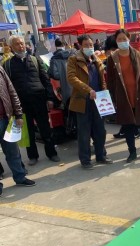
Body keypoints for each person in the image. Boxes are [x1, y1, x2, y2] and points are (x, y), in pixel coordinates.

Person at [4, 35, 60, 165]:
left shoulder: (35, 60)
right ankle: (32, 156)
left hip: (39, 101)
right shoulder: (8, 65)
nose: (21, 46)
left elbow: (46, 80)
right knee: (28, 132)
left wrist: (50, 98)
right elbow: (8, 88)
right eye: (17, 44)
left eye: (22, 43)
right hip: (22, 104)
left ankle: (52, 153)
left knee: (45, 129)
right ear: (12, 47)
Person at [107, 29, 140, 163]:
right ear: (116, 41)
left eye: (124, 39)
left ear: (129, 39)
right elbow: (110, 80)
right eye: (119, 39)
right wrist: (113, 98)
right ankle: (132, 152)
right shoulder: (112, 59)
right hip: (123, 97)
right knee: (128, 126)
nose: (122, 41)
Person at [67, 34, 112, 169]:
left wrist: (105, 92)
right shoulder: (74, 60)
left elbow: (102, 79)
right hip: (83, 101)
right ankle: (85, 160)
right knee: (84, 133)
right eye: (86, 45)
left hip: (99, 100)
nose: (89, 47)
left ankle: (101, 155)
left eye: (91, 45)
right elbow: (71, 78)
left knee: (100, 130)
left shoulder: (96, 60)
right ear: (80, 46)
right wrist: (88, 90)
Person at [0, 65, 35, 195]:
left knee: (13, 151)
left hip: (5, 119)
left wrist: (18, 114)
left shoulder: (0, 70)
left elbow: (11, 91)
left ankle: (20, 177)